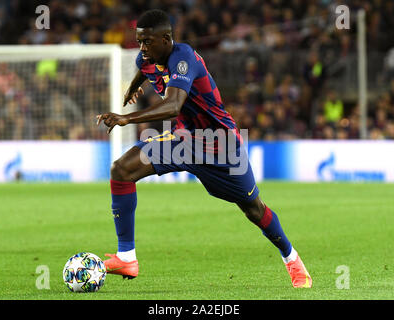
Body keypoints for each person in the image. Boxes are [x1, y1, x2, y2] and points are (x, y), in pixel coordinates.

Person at [97, 9, 312, 288]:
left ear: (166, 39)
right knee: (122, 169)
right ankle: (127, 257)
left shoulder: (183, 57)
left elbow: (173, 105)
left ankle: (292, 259)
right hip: (184, 142)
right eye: (139, 41)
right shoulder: (146, 58)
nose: (142, 48)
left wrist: (126, 118)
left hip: (221, 146)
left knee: (253, 208)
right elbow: (144, 68)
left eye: (147, 42)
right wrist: (133, 87)